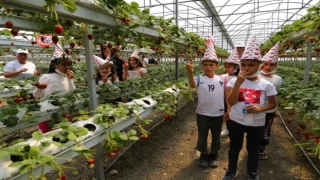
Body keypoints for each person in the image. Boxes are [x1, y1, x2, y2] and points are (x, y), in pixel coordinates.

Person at [222, 36, 277, 180]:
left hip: (256, 123)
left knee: (253, 150)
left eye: (251, 65)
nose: (247, 68)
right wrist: (238, 84)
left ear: (259, 65)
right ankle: (231, 170)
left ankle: (252, 172)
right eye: (244, 64)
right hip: (236, 121)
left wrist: (261, 108)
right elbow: (232, 101)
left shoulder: (266, 85)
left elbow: (273, 104)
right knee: (234, 148)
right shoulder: (234, 81)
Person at [186, 35, 225, 168]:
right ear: (202, 66)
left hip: (218, 113)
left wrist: (229, 110)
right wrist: (190, 73)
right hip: (202, 112)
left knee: (216, 134)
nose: (208, 67)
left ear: (216, 66)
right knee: (202, 134)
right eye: (205, 65)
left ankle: (214, 154)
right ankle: (203, 153)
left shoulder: (222, 79)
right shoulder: (199, 78)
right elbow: (192, 86)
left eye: (211, 65)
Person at [33, 56, 75, 133]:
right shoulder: (46, 77)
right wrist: (39, 88)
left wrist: (70, 80)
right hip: (47, 112)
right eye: (64, 64)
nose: (67, 67)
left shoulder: (67, 79)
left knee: (63, 134)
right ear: (54, 65)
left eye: (69, 65)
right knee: (46, 134)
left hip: (63, 111)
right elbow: (36, 96)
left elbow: (72, 94)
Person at [258, 42, 283, 160]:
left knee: (267, 128)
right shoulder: (255, 75)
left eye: (271, 64)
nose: (268, 67)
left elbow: (275, 95)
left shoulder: (278, 79)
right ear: (261, 63)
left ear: (276, 65)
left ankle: (261, 148)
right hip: (256, 108)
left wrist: (276, 108)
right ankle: (253, 146)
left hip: (270, 109)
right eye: (265, 63)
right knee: (255, 128)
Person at [220, 48, 240, 138]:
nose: (227, 69)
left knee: (235, 114)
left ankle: (235, 129)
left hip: (236, 100)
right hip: (225, 100)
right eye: (226, 67)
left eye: (229, 67)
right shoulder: (223, 76)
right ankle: (228, 129)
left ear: (236, 68)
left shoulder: (239, 78)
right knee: (227, 113)